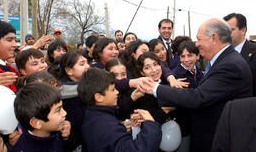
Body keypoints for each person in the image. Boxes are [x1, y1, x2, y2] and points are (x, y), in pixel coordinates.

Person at [141, 18, 253, 152]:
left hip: (218, 137)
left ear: (213, 38)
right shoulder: (224, 60)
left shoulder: (230, 65)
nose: (197, 44)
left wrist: (155, 88)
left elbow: (197, 97)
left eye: (199, 39)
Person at [78, 68, 162, 152]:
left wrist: (121, 127)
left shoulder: (91, 114)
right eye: (113, 89)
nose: (117, 92)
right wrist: (150, 124)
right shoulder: (108, 127)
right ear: (99, 97)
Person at [12, 83, 71, 152]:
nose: (65, 113)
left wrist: (66, 138)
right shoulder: (22, 149)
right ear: (36, 123)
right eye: (58, 110)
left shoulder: (56, 131)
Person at [223, 13, 256, 96]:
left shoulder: (254, 51)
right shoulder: (221, 54)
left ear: (243, 30)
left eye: (231, 30)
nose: (226, 34)